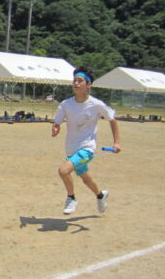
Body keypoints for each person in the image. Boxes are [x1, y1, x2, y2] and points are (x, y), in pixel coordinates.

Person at [51, 67, 121, 215]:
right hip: (71, 149)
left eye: (80, 80)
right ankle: (100, 196)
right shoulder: (66, 104)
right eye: (74, 80)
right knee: (86, 179)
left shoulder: (96, 104)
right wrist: (56, 127)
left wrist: (116, 142)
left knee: (63, 171)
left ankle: (71, 198)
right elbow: (57, 121)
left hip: (87, 148)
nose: (76, 83)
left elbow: (112, 120)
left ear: (88, 84)